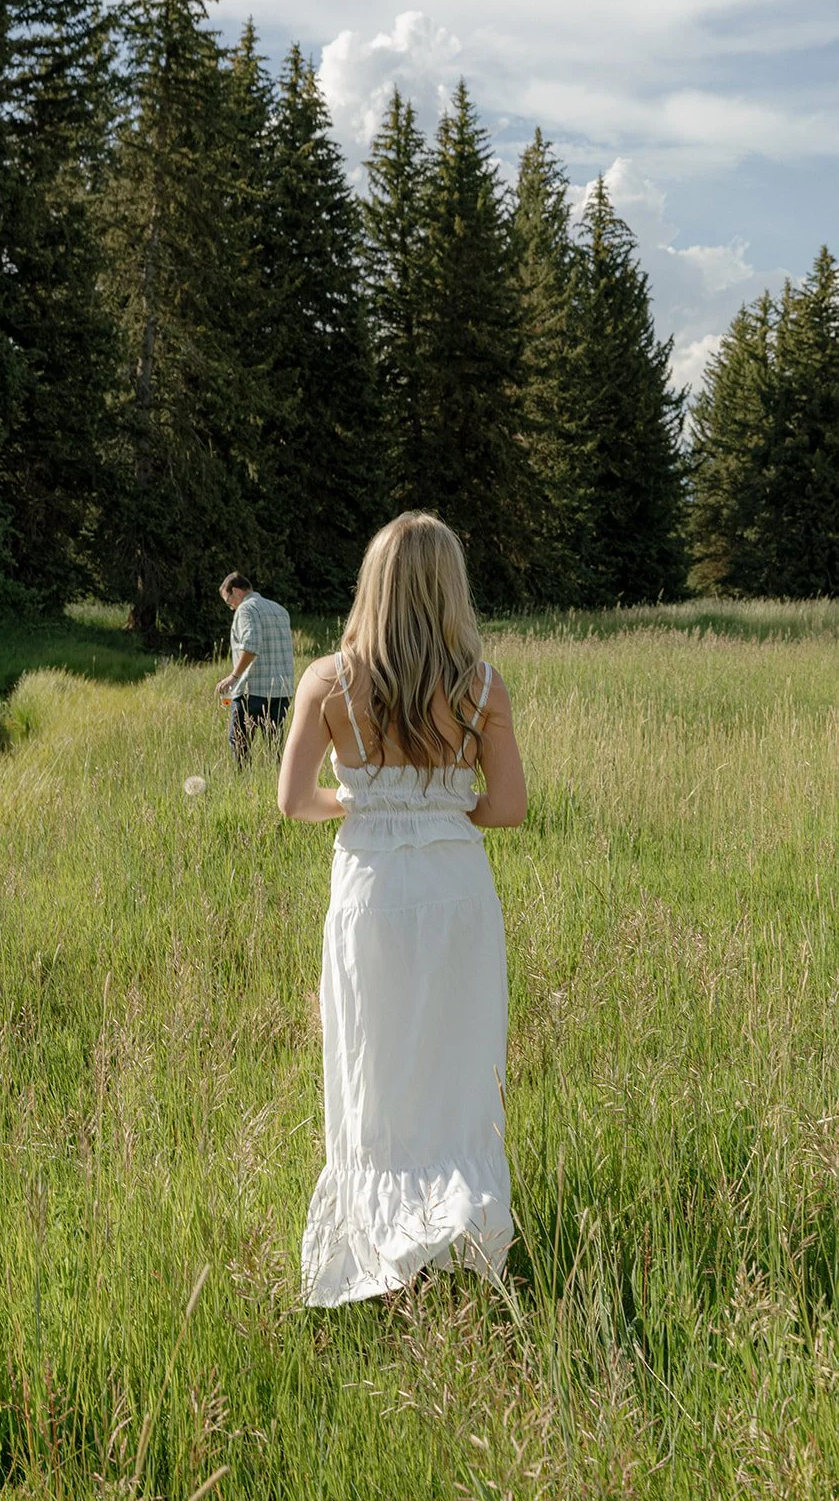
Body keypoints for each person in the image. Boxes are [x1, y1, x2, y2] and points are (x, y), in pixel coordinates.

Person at [277, 512, 527, 1306]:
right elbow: (509, 809)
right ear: (448, 588)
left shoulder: (329, 681)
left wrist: (358, 805)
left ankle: (384, 1260)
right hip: (456, 893)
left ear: (372, 585)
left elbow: (292, 801)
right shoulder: (481, 686)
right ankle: (460, 1235)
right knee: (455, 1069)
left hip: (371, 888)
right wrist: (445, 811)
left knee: (373, 1070)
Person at [216, 573, 294, 766]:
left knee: (240, 745)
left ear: (235, 591)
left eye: (228, 601)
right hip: (281, 692)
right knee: (275, 749)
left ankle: (243, 787)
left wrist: (233, 677)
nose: (230, 607)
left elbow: (251, 645)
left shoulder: (245, 609)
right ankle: (278, 786)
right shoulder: (280, 610)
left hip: (253, 691)